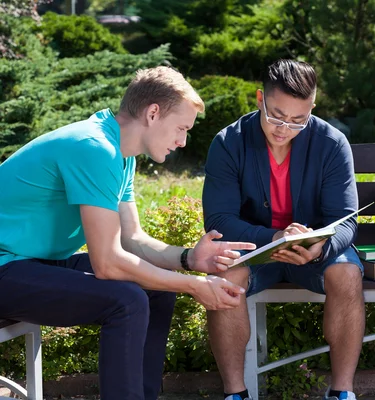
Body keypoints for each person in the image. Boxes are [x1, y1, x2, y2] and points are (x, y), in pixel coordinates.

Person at [0, 66, 256, 400]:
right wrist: (195, 285)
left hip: (30, 265)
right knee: (127, 299)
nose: (183, 141)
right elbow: (107, 264)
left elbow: (131, 239)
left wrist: (188, 259)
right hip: (7, 269)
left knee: (155, 289)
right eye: (181, 128)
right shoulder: (94, 148)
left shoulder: (120, 155)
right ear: (153, 113)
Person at [202, 59, 364, 400]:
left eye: (297, 121)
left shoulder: (332, 143)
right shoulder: (228, 142)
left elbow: (346, 220)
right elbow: (218, 220)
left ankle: (342, 392)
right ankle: (235, 394)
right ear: (260, 98)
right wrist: (274, 238)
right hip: (254, 253)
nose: (284, 129)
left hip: (315, 253)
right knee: (225, 277)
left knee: (347, 274)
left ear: (312, 109)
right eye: (276, 115)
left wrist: (321, 246)